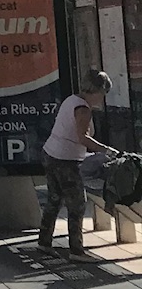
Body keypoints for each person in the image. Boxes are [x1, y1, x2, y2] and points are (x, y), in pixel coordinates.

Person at [40, 70, 113, 256]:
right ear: (97, 91)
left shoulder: (71, 100)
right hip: (66, 160)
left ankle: (44, 242)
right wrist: (106, 150)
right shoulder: (83, 109)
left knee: (54, 199)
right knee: (78, 204)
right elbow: (83, 138)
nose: (102, 98)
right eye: (103, 93)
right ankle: (76, 250)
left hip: (51, 153)